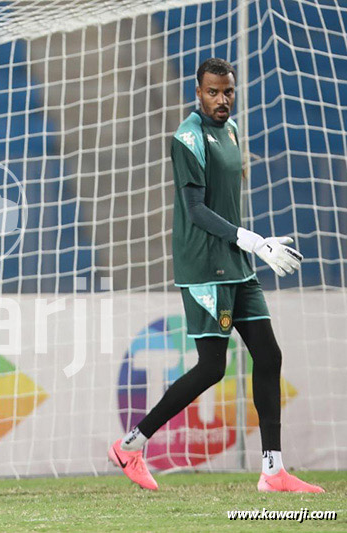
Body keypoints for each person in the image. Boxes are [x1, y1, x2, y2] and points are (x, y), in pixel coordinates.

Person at [108, 58, 323, 493]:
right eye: (213, 92)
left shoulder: (233, 129)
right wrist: (250, 239)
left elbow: (226, 201)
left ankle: (272, 471)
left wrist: (253, 243)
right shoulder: (187, 138)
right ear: (198, 91)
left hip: (237, 262)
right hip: (206, 265)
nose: (222, 99)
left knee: (269, 356)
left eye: (228, 91)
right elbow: (195, 210)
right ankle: (131, 445)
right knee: (211, 368)